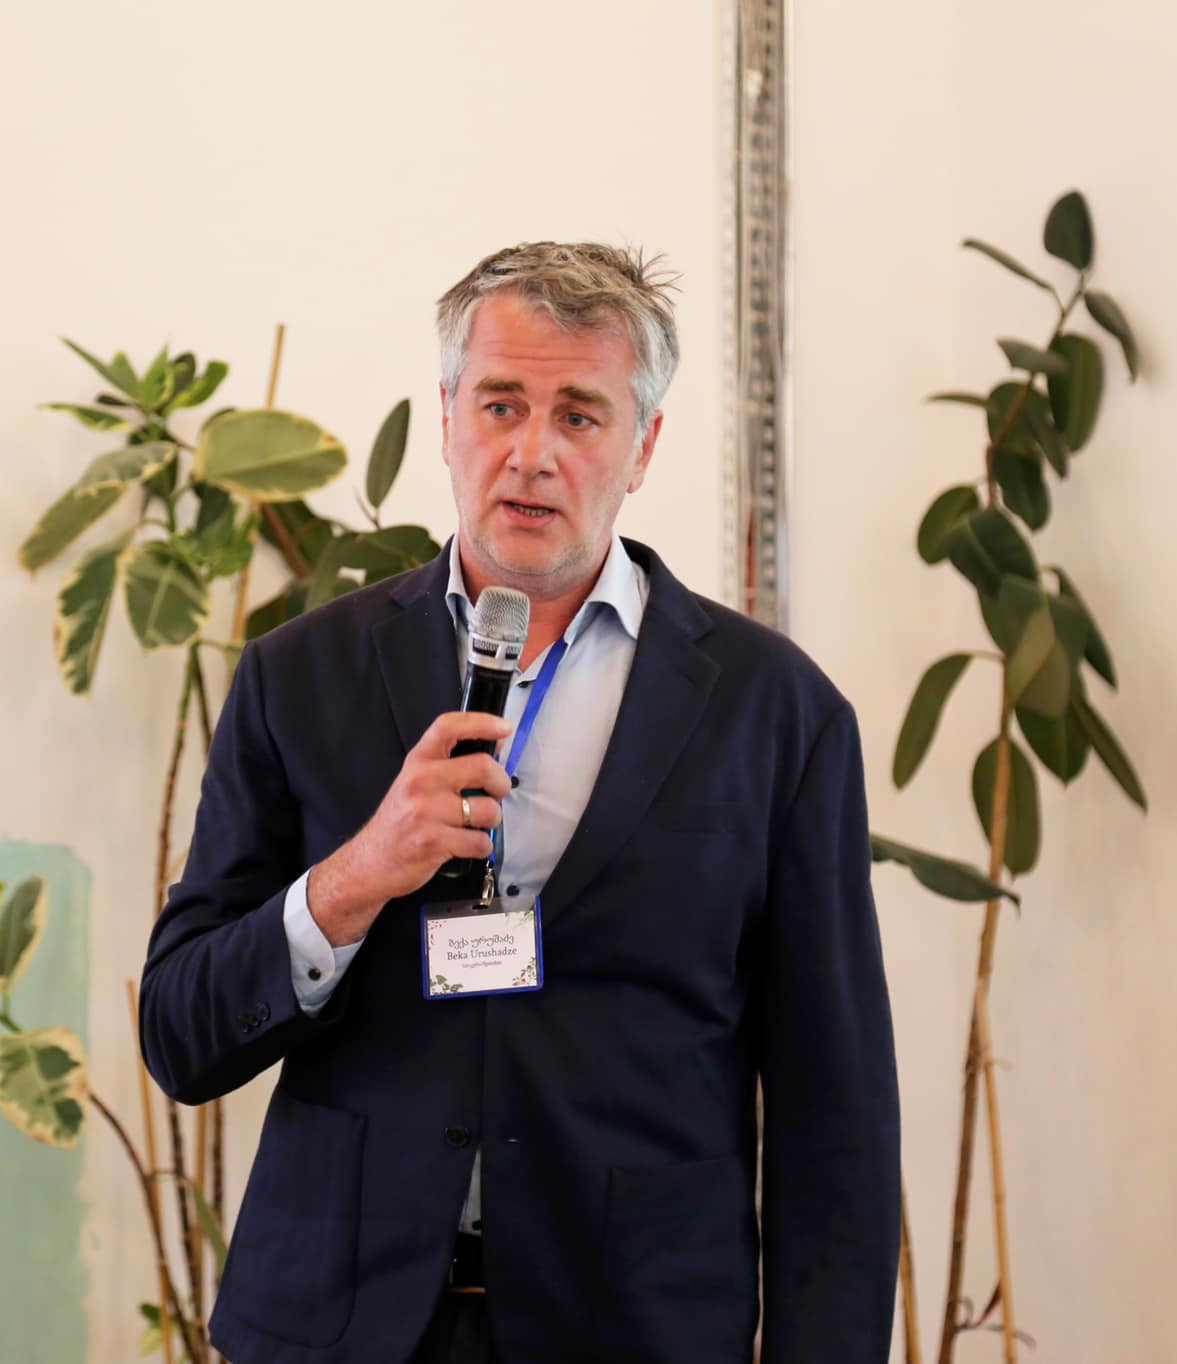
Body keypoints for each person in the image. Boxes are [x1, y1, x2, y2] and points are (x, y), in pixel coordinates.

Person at [139, 242, 899, 1363]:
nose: (531, 454)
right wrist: (352, 880)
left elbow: (834, 1108)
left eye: (579, 416)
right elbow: (179, 1033)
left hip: (633, 1328)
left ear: (643, 446)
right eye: (500, 405)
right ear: (447, 418)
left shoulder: (775, 710)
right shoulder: (297, 677)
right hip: (340, 1325)